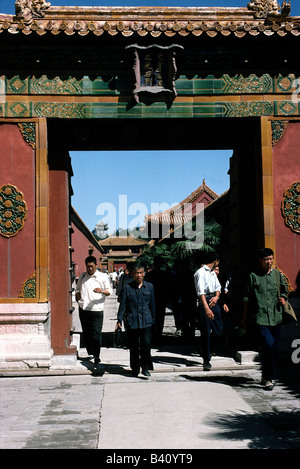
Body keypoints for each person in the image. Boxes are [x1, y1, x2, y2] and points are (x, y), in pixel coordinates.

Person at [242, 248, 288, 390]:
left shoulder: (277, 275)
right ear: (260, 260)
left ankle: (265, 375)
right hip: (260, 318)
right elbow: (246, 298)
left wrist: (283, 299)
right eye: (266, 259)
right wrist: (244, 317)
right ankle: (269, 378)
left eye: (271, 259)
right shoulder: (253, 276)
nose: (269, 262)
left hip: (276, 317)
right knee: (268, 345)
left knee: (274, 348)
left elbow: (285, 291)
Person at [116, 263, 155, 377]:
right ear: (133, 274)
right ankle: (135, 368)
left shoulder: (149, 287)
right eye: (137, 273)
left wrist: (153, 320)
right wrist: (119, 321)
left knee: (146, 345)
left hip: (146, 321)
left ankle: (145, 367)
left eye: (141, 273)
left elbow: (152, 305)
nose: (139, 275)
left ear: (144, 273)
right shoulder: (127, 288)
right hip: (132, 321)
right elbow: (122, 306)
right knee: (133, 347)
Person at [75, 256, 112, 369]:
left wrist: (101, 291)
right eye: (88, 266)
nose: (90, 268)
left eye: (92, 266)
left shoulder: (103, 277)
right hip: (84, 309)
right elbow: (77, 289)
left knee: (96, 334)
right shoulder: (83, 276)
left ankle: (97, 356)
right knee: (87, 333)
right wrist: (77, 297)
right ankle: (91, 351)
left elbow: (109, 292)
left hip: (97, 310)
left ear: (96, 265)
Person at [194, 252, 223, 370]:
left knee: (219, 329)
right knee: (205, 331)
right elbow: (200, 292)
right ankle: (206, 359)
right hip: (204, 300)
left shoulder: (212, 273)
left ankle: (207, 348)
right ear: (215, 261)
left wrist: (216, 297)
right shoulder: (200, 273)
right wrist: (206, 308)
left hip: (214, 300)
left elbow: (218, 287)